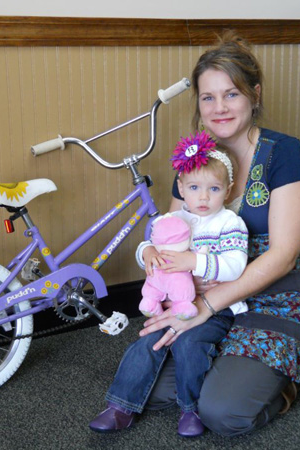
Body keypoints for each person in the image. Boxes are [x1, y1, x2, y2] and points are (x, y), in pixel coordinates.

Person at [90, 30, 300, 437]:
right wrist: (166, 279)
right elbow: (171, 236)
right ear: (198, 104)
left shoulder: (284, 153)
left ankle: (288, 379)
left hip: (278, 302)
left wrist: (206, 305)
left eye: (231, 94)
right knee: (148, 387)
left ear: (254, 95)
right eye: (208, 97)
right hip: (209, 301)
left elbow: (284, 255)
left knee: (221, 413)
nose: (219, 108)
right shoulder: (194, 162)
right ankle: (228, 360)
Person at [89, 132, 249, 437]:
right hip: (176, 303)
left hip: (218, 307)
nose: (203, 198)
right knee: (146, 342)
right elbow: (150, 245)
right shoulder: (174, 219)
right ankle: (119, 406)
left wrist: (194, 262)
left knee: (189, 342)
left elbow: (236, 265)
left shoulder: (230, 223)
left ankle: (191, 409)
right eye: (194, 188)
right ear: (181, 189)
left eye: (213, 189)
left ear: (227, 192)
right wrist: (146, 251)